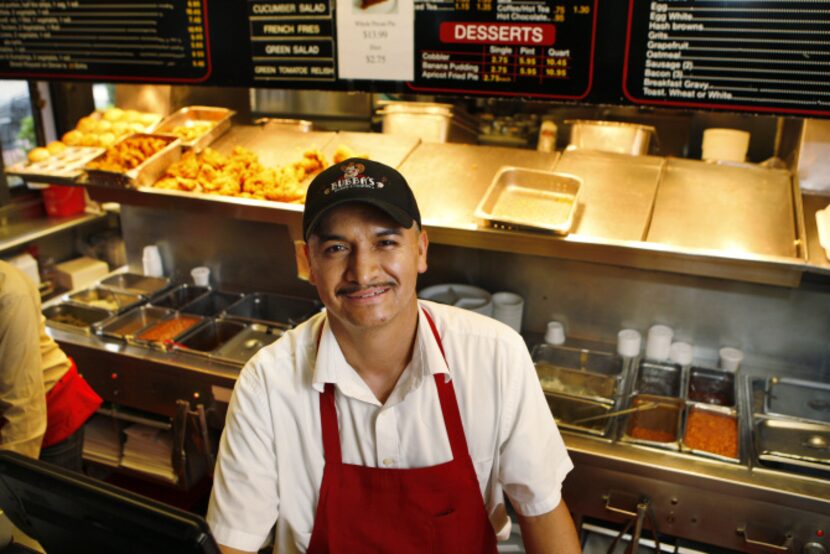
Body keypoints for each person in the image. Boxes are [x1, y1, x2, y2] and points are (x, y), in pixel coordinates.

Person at [207, 159, 581, 553]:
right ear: (308, 264)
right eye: (336, 248)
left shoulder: (494, 356)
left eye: (385, 242)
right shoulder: (266, 384)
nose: (363, 272)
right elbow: (236, 543)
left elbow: (541, 509)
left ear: (420, 250)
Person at [0, 259, 102, 471]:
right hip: (12, 409)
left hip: (47, 406)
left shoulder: (10, 291)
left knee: (45, 500)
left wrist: (11, 482)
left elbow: (24, 402)